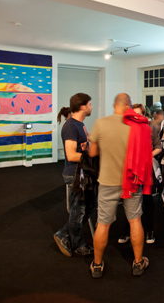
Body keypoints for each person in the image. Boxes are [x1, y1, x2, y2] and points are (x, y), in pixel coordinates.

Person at [88, 93, 151, 278]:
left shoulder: (100, 123)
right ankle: (138, 262)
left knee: (103, 224)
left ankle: (97, 265)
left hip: (107, 181)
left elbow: (92, 153)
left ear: (114, 104)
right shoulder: (138, 126)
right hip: (132, 181)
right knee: (135, 221)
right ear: (129, 106)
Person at [53, 93, 97, 257]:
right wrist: (91, 157)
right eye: (90, 104)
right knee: (78, 212)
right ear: (82, 106)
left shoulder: (80, 124)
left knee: (90, 206)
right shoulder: (71, 126)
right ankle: (76, 243)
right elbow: (71, 155)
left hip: (83, 173)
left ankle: (65, 234)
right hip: (75, 175)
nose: (92, 107)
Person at [118, 104, 162, 245]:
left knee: (147, 200)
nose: (136, 117)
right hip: (131, 169)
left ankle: (149, 230)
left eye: (139, 114)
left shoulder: (150, 127)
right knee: (129, 200)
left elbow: (158, 146)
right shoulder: (127, 127)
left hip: (145, 169)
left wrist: (147, 155)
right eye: (134, 114)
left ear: (144, 115)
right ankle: (127, 230)